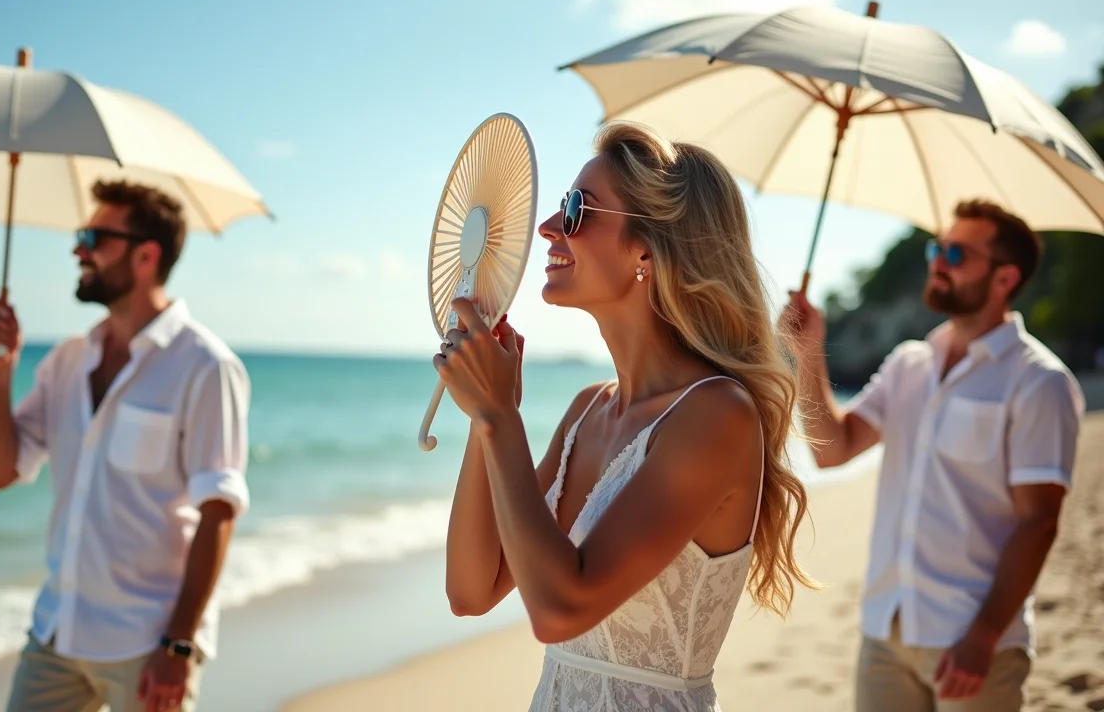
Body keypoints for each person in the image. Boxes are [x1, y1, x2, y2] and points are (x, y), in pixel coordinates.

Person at [438, 121, 815, 710]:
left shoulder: (717, 415)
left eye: (576, 208)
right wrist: (485, 412)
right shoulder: (588, 410)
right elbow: (470, 590)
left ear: (648, 247)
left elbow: (560, 608)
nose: (547, 227)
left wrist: (498, 420)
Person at [782, 199, 1085, 712]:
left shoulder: (1039, 381)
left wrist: (983, 638)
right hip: (884, 631)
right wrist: (808, 351)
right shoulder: (909, 364)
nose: (937, 261)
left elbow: (1040, 522)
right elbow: (833, 450)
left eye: (956, 253)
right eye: (935, 247)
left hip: (973, 642)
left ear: (1004, 278)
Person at [0, 180, 251, 712]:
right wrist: (1, 374)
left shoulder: (206, 367)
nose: (79, 249)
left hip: (147, 645)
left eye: (95, 237)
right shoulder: (67, 361)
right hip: (58, 632)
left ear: (146, 255)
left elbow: (218, 512)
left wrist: (179, 644)